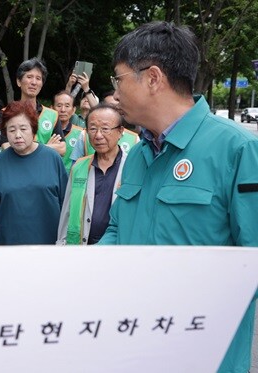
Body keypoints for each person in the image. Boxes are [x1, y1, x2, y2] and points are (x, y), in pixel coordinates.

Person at [98, 21, 258, 373]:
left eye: (119, 79)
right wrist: (75, 271)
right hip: (134, 346)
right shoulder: (138, 153)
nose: (115, 93)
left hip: (203, 354)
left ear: (153, 78)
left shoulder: (238, 149)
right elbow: (117, 230)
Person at [0, 100, 67, 245]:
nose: (17, 135)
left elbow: (66, 204)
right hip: (9, 242)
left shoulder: (53, 158)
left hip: (49, 242)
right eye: (11, 130)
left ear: (33, 130)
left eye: (23, 129)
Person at [56, 103, 127, 245]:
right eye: (93, 129)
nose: (98, 135)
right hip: (82, 249)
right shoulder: (79, 167)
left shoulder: (131, 166)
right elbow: (67, 212)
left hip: (119, 249)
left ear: (120, 131)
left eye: (105, 129)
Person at [0, 58, 66, 156]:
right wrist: (46, 147)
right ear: (18, 81)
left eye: (38, 78)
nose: (34, 82)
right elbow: (6, 147)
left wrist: (25, 147)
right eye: (29, 77)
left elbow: (62, 149)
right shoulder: (6, 113)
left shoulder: (52, 115)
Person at [52, 90, 84, 172]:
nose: (63, 110)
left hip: (70, 180)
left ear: (73, 110)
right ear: (51, 108)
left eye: (67, 106)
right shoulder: (44, 131)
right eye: (59, 105)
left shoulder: (81, 134)